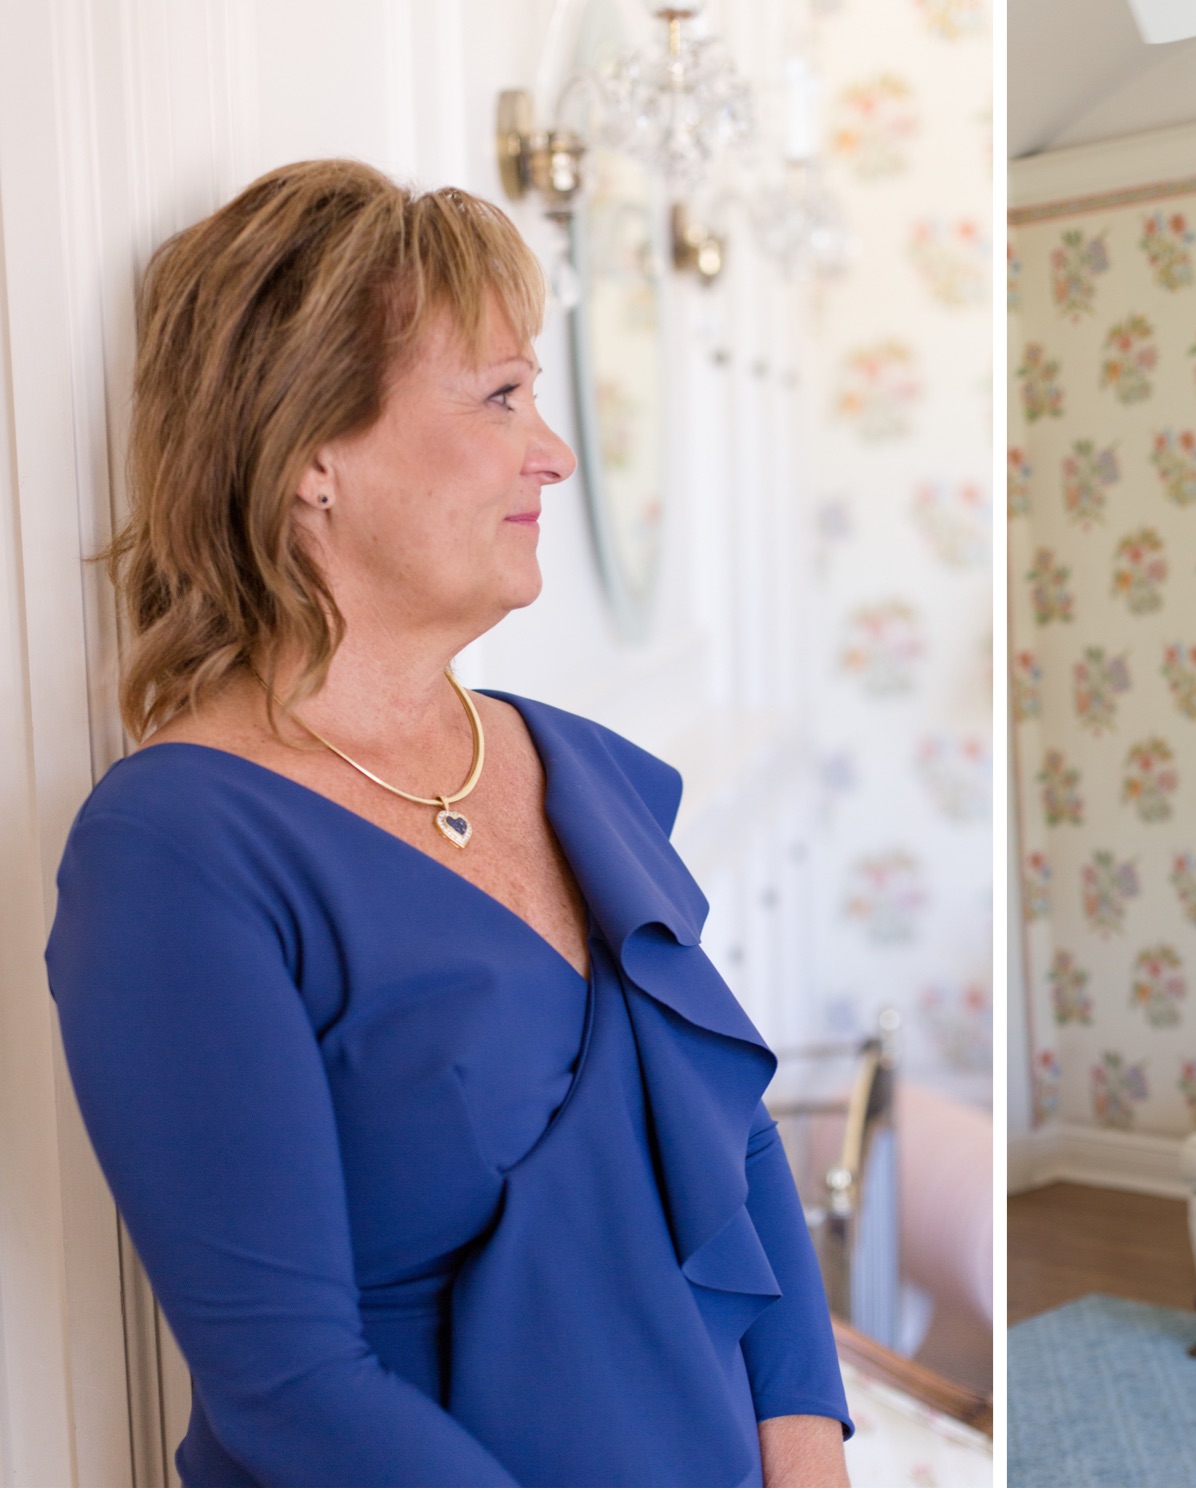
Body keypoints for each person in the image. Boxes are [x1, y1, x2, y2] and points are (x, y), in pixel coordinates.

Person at [43, 160, 851, 1488]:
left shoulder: (574, 770)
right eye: (497, 395)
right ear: (314, 461)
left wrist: (808, 1465)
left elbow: (738, 1148)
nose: (555, 447)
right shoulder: (176, 852)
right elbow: (291, 1388)